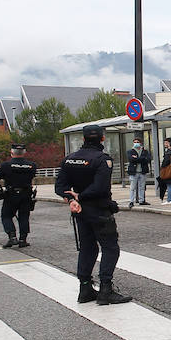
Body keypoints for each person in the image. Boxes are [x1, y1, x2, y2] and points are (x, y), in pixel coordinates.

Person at [55, 124, 130, 305]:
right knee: (110, 247)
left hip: (80, 211)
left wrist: (72, 199)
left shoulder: (69, 160)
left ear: (83, 138)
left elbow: (60, 187)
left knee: (88, 247)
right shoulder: (102, 159)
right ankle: (105, 289)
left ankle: (85, 288)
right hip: (99, 209)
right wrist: (81, 196)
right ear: (102, 138)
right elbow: (100, 187)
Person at [0, 141, 38, 248]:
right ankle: (23, 239)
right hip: (26, 194)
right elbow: (32, 175)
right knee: (24, 216)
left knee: (6, 216)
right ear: (24, 152)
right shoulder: (32, 165)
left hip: (11, 194)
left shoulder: (5, 165)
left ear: (12, 152)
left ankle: (12, 237)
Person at [126, 137, 151, 207]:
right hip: (134, 172)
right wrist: (141, 159)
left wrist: (136, 158)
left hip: (142, 171)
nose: (136, 143)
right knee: (132, 187)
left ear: (140, 143)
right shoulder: (130, 151)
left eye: (137, 142)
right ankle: (131, 201)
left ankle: (141, 200)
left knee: (142, 187)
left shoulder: (145, 151)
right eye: (135, 142)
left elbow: (148, 159)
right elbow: (131, 159)